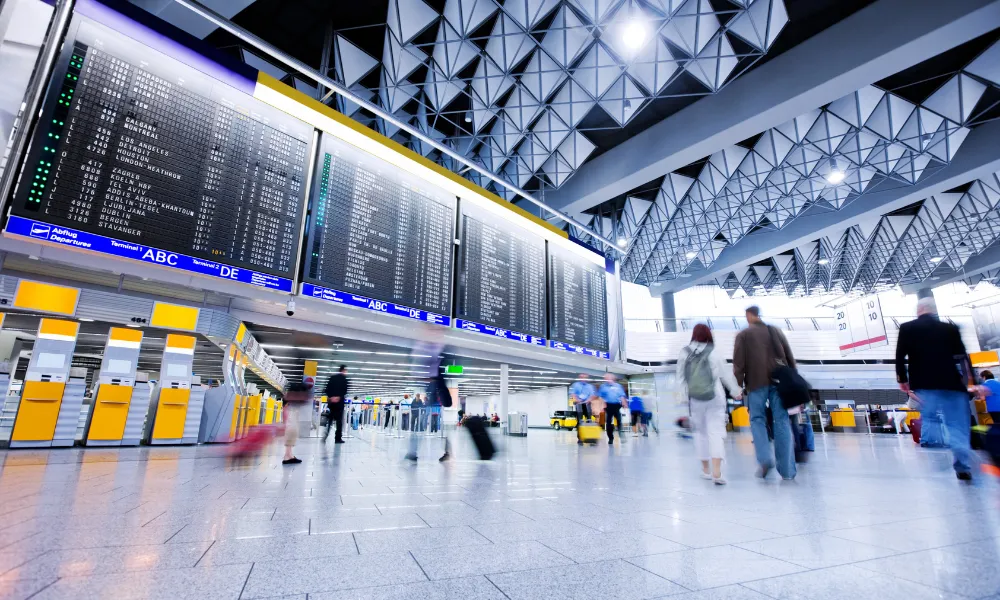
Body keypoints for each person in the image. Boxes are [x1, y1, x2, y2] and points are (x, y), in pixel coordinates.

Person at [896, 297, 974, 481]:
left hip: (925, 384)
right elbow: (962, 356)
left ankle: (930, 442)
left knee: (930, 417)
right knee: (957, 425)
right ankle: (962, 461)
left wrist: (902, 379)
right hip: (952, 383)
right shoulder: (950, 328)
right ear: (934, 310)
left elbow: (900, 355)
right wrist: (972, 380)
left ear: (919, 310)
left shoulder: (908, 328)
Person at [733, 305, 797, 480]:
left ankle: (765, 459)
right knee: (782, 420)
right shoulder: (774, 331)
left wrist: (737, 386)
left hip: (756, 383)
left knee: (757, 419)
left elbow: (739, 364)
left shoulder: (743, 335)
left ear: (749, 316)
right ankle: (787, 471)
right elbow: (789, 356)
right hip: (779, 382)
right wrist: (794, 379)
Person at [678, 324, 742, 485]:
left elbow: (681, 378)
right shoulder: (714, 352)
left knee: (701, 433)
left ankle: (705, 470)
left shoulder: (684, 353)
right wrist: (735, 391)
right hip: (715, 397)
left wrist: (683, 398)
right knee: (716, 433)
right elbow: (726, 375)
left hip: (695, 399)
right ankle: (717, 472)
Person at [282, 381, 313, 464]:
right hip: (292, 411)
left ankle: (289, 455)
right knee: (292, 431)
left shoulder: (291, 399)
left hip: (292, 410)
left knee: (293, 432)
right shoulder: (295, 400)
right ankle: (287, 456)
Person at [598, 373, 627, 444]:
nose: (608, 380)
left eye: (609, 378)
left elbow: (622, 396)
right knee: (608, 422)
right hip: (608, 405)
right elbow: (600, 397)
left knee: (619, 421)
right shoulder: (603, 386)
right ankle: (610, 438)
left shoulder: (618, 386)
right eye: (606, 378)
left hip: (617, 405)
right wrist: (602, 405)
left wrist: (624, 403)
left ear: (613, 378)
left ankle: (622, 436)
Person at [323, 365, 348, 444]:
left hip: (331, 403)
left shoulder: (332, 378)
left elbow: (326, 389)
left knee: (329, 420)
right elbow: (345, 391)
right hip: (339, 403)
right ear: (344, 370)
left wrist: (331, 397)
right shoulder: (344, 379)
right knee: (339, 421)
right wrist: (338, 397)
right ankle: (337, 438)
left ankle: (325, 435)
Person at [570, 374, 597, 444]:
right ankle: (580, 439)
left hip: (587, 404)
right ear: (580, 378)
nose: (584, 379)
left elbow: (593, 395)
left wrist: (589, 400)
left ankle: (590, 438)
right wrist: (577, 400)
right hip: (579, 404)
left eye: (585, 378)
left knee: (589, 420)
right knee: (580, 421)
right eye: (582, 377)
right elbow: (573, 394)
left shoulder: (590, 386)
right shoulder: (576, 385)